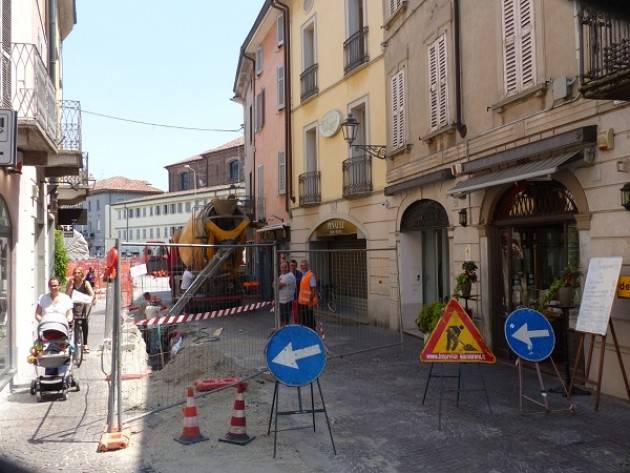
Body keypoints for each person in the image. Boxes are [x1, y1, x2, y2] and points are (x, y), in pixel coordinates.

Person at [66, 267, 95, 352]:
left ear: (82, 274)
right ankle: (70, 343)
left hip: (83, 306)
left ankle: (85, 343)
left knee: (84, 322)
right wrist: (71, 287)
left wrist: (91, 299)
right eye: (75, 273)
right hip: (73, 305)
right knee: (70, 323)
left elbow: (92, 293)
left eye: (78, 273)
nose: (76, 274)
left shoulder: (86, 283)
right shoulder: (71, 282)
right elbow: (66, 295)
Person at [297, 259, 318, 330]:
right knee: (305, 320)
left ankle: (312, 333)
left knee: (309, 320)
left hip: (308, 303)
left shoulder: (310, 275)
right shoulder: (304, 275)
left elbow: (313, 290)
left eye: (304, 265)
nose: (302, 267)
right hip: (302, 302)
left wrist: (310, 302)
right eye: (301, 266)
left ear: (307, 266)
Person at [278, 262, 296, 326]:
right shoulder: (282, 275)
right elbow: (274, 285)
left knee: (285, 320)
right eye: (282, 267)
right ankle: (282, 331)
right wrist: (277, 283)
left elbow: (278, 286)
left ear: (288, 267)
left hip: (287, 301)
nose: (283, 269)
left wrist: (277, 282)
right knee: (281, 319)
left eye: (285, 267)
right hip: (282, 300)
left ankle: (285, 332)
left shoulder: (289, 276)